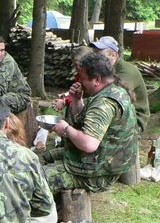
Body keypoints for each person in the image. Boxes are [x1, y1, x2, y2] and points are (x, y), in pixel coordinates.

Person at [43, 52, 138, 194]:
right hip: (102, 161)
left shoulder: (104, 104)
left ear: (97, 80)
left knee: (36, 179)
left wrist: (66, 129)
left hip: (97, 173)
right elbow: (91, 123)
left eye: (83, 78)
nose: (81, 82)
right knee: (48, 156)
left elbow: (89, 144)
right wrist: (76, 100)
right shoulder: (115, 90)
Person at [90, 35, 150, 132]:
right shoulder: (106, 69)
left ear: (113, 55)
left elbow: (114, 96)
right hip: (118, 113)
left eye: (99, 56)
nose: (95, 60)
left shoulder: (126, 71)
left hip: (135, 119)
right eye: (94, 55)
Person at [52, 46, 93, 114]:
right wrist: (65, 97)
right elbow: (77, 90)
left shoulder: (92, 77)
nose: (75, 67)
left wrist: (65, 101)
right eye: (74, 65)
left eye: (76, 64)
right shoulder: (79, 75)